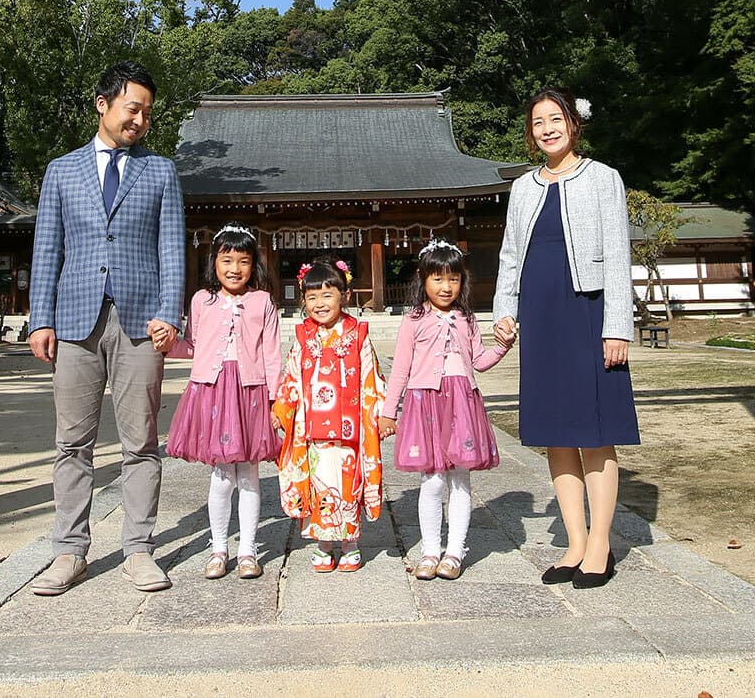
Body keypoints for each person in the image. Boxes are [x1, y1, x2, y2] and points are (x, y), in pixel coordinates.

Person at [25, 61, 186, 596]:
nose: (140, 120)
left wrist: (170, 313)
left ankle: (139, 550)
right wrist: (40, 318)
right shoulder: (61, 171)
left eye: (147, 113)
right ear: (103, 104)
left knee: (141, 441)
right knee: (72, 442)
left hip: (141, 321)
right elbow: (47, 249)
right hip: (75, 319)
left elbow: (171, 248)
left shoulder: (159, 171)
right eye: (132, 108)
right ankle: (69, 552)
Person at [492, 88, 638, 590]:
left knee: (594, 430)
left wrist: (616, 326)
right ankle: (575, 542)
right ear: (530, 133)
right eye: (538, 122)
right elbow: (510, 253)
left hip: (587, 311)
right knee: (557, 431)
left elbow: (617, 253)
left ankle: (600, 544)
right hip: (541, 313)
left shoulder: (603, 177)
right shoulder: (523, 187)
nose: (547, 129)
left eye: (555, 119)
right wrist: (504, 309)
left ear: (574, 123)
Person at [382, 238, 511, 581]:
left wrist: (502, 347)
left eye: (453, 279)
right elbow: (401, 369)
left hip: (462, 403)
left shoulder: (467, 318)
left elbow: (479, 361)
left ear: (462, 281)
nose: (446, 287)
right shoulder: (413, 320)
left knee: (460, 479)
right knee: (432, 480)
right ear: (422, 278)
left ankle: (454, 551)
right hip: (424, 403)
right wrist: (388, 411)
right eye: (437, 278)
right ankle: (430, 550)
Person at [163, 225, 283, 580]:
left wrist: (275, 400)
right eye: (226, 260)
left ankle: (248, 549)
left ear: (253, 264)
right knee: (221, 474)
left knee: (249, 473)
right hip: (213, 390)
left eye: (243, 261)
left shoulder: (263, 302)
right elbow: (193, 345)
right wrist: (167, 344)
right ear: (213, 261)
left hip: (250, 391)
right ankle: (218, 547)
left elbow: (272, 354)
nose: (234, 268)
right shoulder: (202, 299)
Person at [269, 256, 386, 572]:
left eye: (327, 295)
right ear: (303, 300)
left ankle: (350, 543)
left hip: (350, 428)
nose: (319, 303)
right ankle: (323, 543)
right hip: (312, 429)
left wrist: (381, 413)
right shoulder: (303, 337)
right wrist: (281, 409)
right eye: (312, 297)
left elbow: (371, 377)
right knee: (319, 483)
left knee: (348, 482)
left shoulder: (357, 334)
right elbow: (292, 377)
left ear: (344, 295)